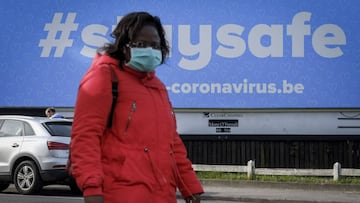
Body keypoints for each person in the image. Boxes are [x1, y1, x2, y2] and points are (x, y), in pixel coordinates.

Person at [70, 11, 204, 203]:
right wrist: (92, 188)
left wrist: (189, 186)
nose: (150, 50)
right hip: (120, 194)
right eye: (141, 44)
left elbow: (171, 143)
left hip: (162, 196)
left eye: (155, 45)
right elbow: (85, 136)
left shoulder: (157, 87)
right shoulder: (103, 77)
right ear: (124, 46)